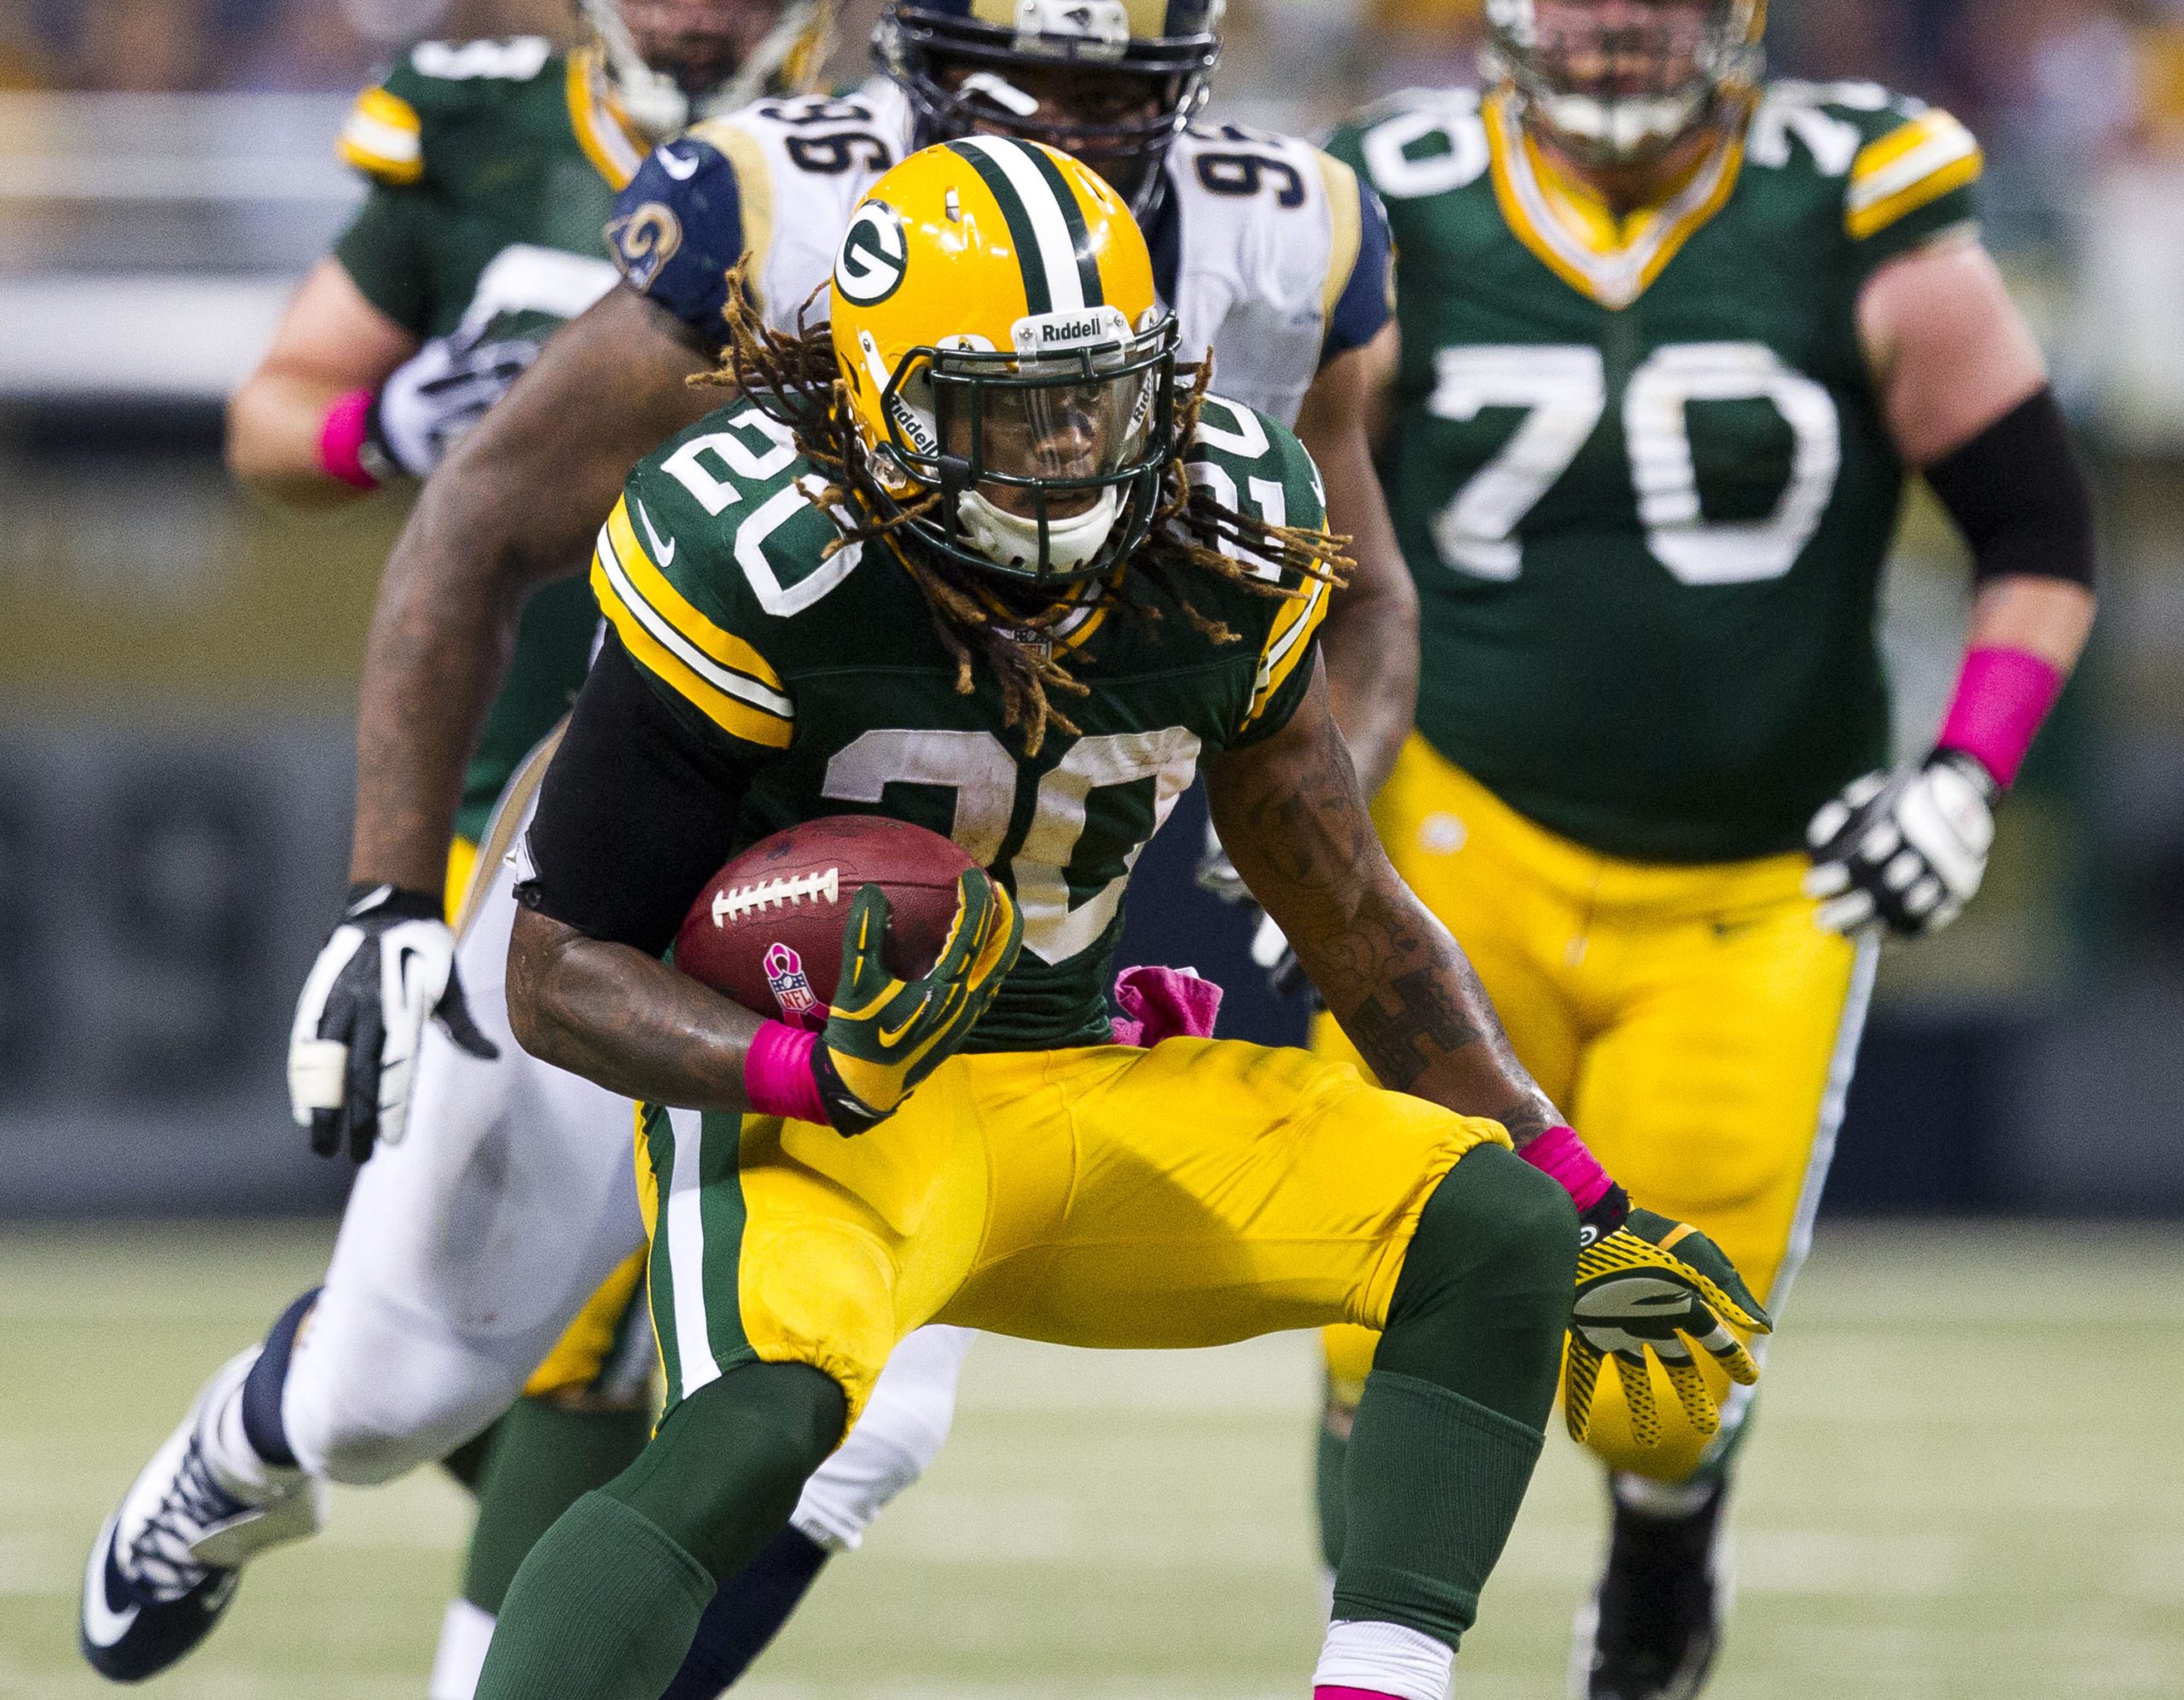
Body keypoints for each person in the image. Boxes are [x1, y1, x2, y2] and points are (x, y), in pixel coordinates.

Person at [84, 3, 1420, 1692]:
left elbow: (1359, 592)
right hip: (655, 857)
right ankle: (242, 1452)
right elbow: (480, 515)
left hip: (958, 916)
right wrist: (386, 896)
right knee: (397, 1385)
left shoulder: (1288, 229)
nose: (1073, 128)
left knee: (852, 1420)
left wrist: (1321, 822)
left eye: (1112, 91)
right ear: (926, 74)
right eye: (1033, 91)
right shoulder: (770, 196)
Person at [471, 135, 1768, 1700]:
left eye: (1090, 396)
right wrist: (796, 1071)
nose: (1061, 452)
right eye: (1001, 409)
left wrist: (1582, 1182)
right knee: (764, 1431)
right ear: (878, 400)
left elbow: (1349, 907)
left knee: (1491, 1231)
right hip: (826, 1111)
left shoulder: (1220, 527)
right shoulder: (757, 556)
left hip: (1076, 1075)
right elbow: (553, 971)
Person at [1313, 3, 2099, 1695]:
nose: (1617, 26)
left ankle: (1667, 1527)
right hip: (1457, 840)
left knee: (1652, 1376)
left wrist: (1963, 775)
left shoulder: (1855, 197)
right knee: (1382, 1286)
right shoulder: (1392, 194)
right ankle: (1372, 1656)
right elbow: (1295, 496)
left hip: (1760, 879)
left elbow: (2033, 530)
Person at [78, 4, 838, 1693]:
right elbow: (273, 419)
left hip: (798, 803)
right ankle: (269, 1428)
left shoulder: (885, 160)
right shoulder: (482, 122)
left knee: (802, 1380)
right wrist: (393, 425)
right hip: (539, 806)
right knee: (442, 1369)